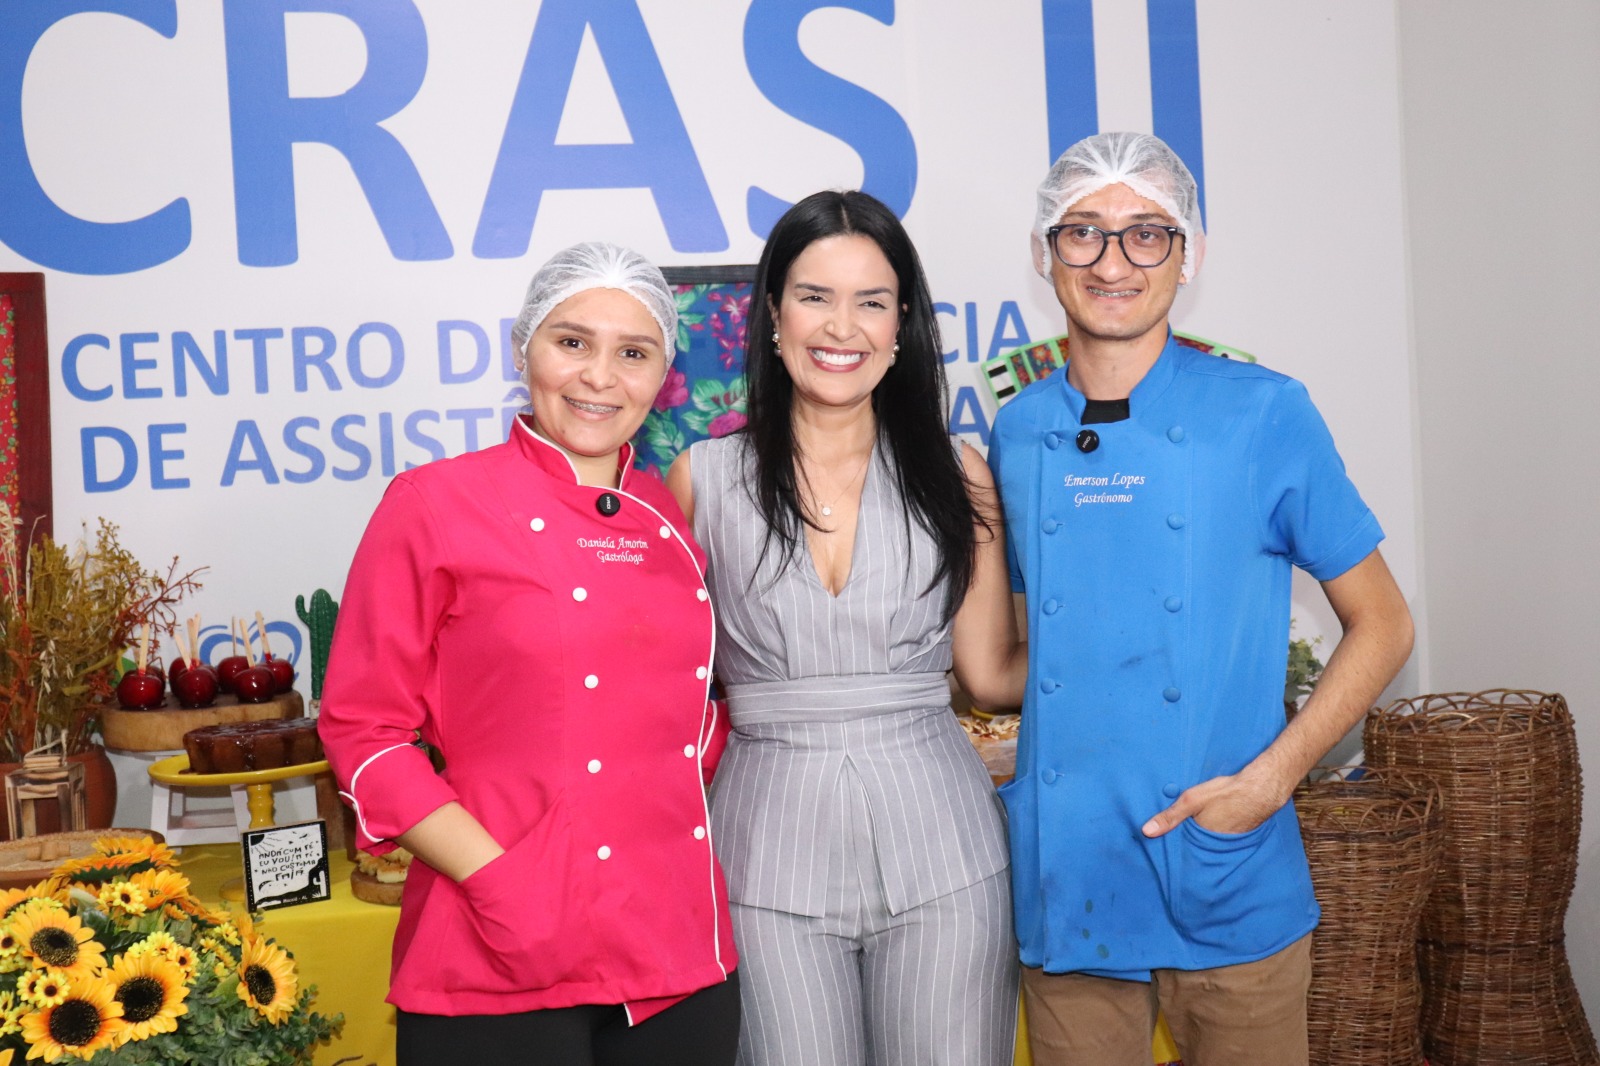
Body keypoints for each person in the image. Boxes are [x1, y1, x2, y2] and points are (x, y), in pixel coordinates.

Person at [987, 131, 1415, 1066]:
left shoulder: (1264, 413)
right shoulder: (1017, 435)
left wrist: (1271, 781)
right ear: (1042, 252)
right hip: (1075, 872)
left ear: (1190, 256)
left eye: (1147, 233)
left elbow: (1384, 622)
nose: (1113, 261)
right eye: (1083, 233)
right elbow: (1038, 661)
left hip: (1225, 870)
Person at [319, 242, 740, 1066]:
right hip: (497, 946)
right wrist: (498, 881)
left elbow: (680, 708)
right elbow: (364, 730)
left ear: (662, 377)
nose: (599, 377)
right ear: (523, 350)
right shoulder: (435, 503)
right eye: (572, 342)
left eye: (633, 353)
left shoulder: (663, 514)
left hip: (676, 946)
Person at [666, 190, 1026, 1066]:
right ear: (774, 315)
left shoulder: (959, 473)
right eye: (815, 295)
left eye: (872, 301)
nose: (844, 326)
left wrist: (1137, 640)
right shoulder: (700, 480)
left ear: (902, 324)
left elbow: (988, 675)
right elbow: (657, 693)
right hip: (764, 857)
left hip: (946, 851)